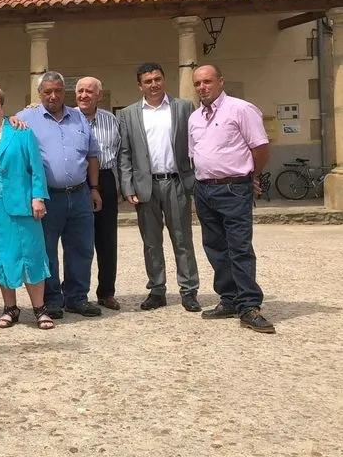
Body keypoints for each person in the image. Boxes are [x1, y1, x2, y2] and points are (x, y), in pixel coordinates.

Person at [188, 65, 274, 334]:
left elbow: (260, 147)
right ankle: (229, 298)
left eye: (207, 81)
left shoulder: (241, 109)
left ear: (220, 81)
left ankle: (249, 306)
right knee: (215, 247)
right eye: (197, 83)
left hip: (234, 189)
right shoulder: (195, 118)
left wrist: (250, 176)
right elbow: (195, 153)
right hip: (204, 189)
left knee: (239, 247)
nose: (202, 87)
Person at [16, 71, 103, 319]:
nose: (53, 96)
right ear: (39, 93)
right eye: (47, 92)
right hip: (47, 197)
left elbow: (92, 155)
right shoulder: (25, 118)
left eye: (57, 91)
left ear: (64, 91)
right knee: (47, 251)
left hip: (80, 194)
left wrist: (94, 189)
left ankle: (77, 297)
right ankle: (52, 299)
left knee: (81, 248)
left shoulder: (79, 117)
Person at [0, 85, 54, 330]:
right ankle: (10, 308)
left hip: (21, 202)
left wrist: (38, 197)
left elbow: (36, 168)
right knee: (1, 256)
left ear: (2, 107)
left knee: (31, 253)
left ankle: (40, 309)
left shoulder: (20, 131)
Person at [117, 63, 201, 312]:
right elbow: (125, 153)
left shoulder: (183, 107)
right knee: (151, 242)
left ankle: (189, 290)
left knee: (182, 239)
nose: (153, 84)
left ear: (164, 80)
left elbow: (197, 142)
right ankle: (156, 290)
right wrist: (127, 186)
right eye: (148, 81)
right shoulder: (128, 114)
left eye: (157, 79)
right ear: (139, 85)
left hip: (177, 182)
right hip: (146, 186)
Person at [75, 76, 122, 311]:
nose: (84, 95)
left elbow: (121, 153)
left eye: (89, 91)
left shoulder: (111, 120)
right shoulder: (67, 118)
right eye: (80, 91)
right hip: (77, 181)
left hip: (105, 178)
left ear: (99, 96)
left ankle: (106, 292)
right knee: (77, 240)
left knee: (107, 240)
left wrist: (122, 186)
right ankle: (75, 293)